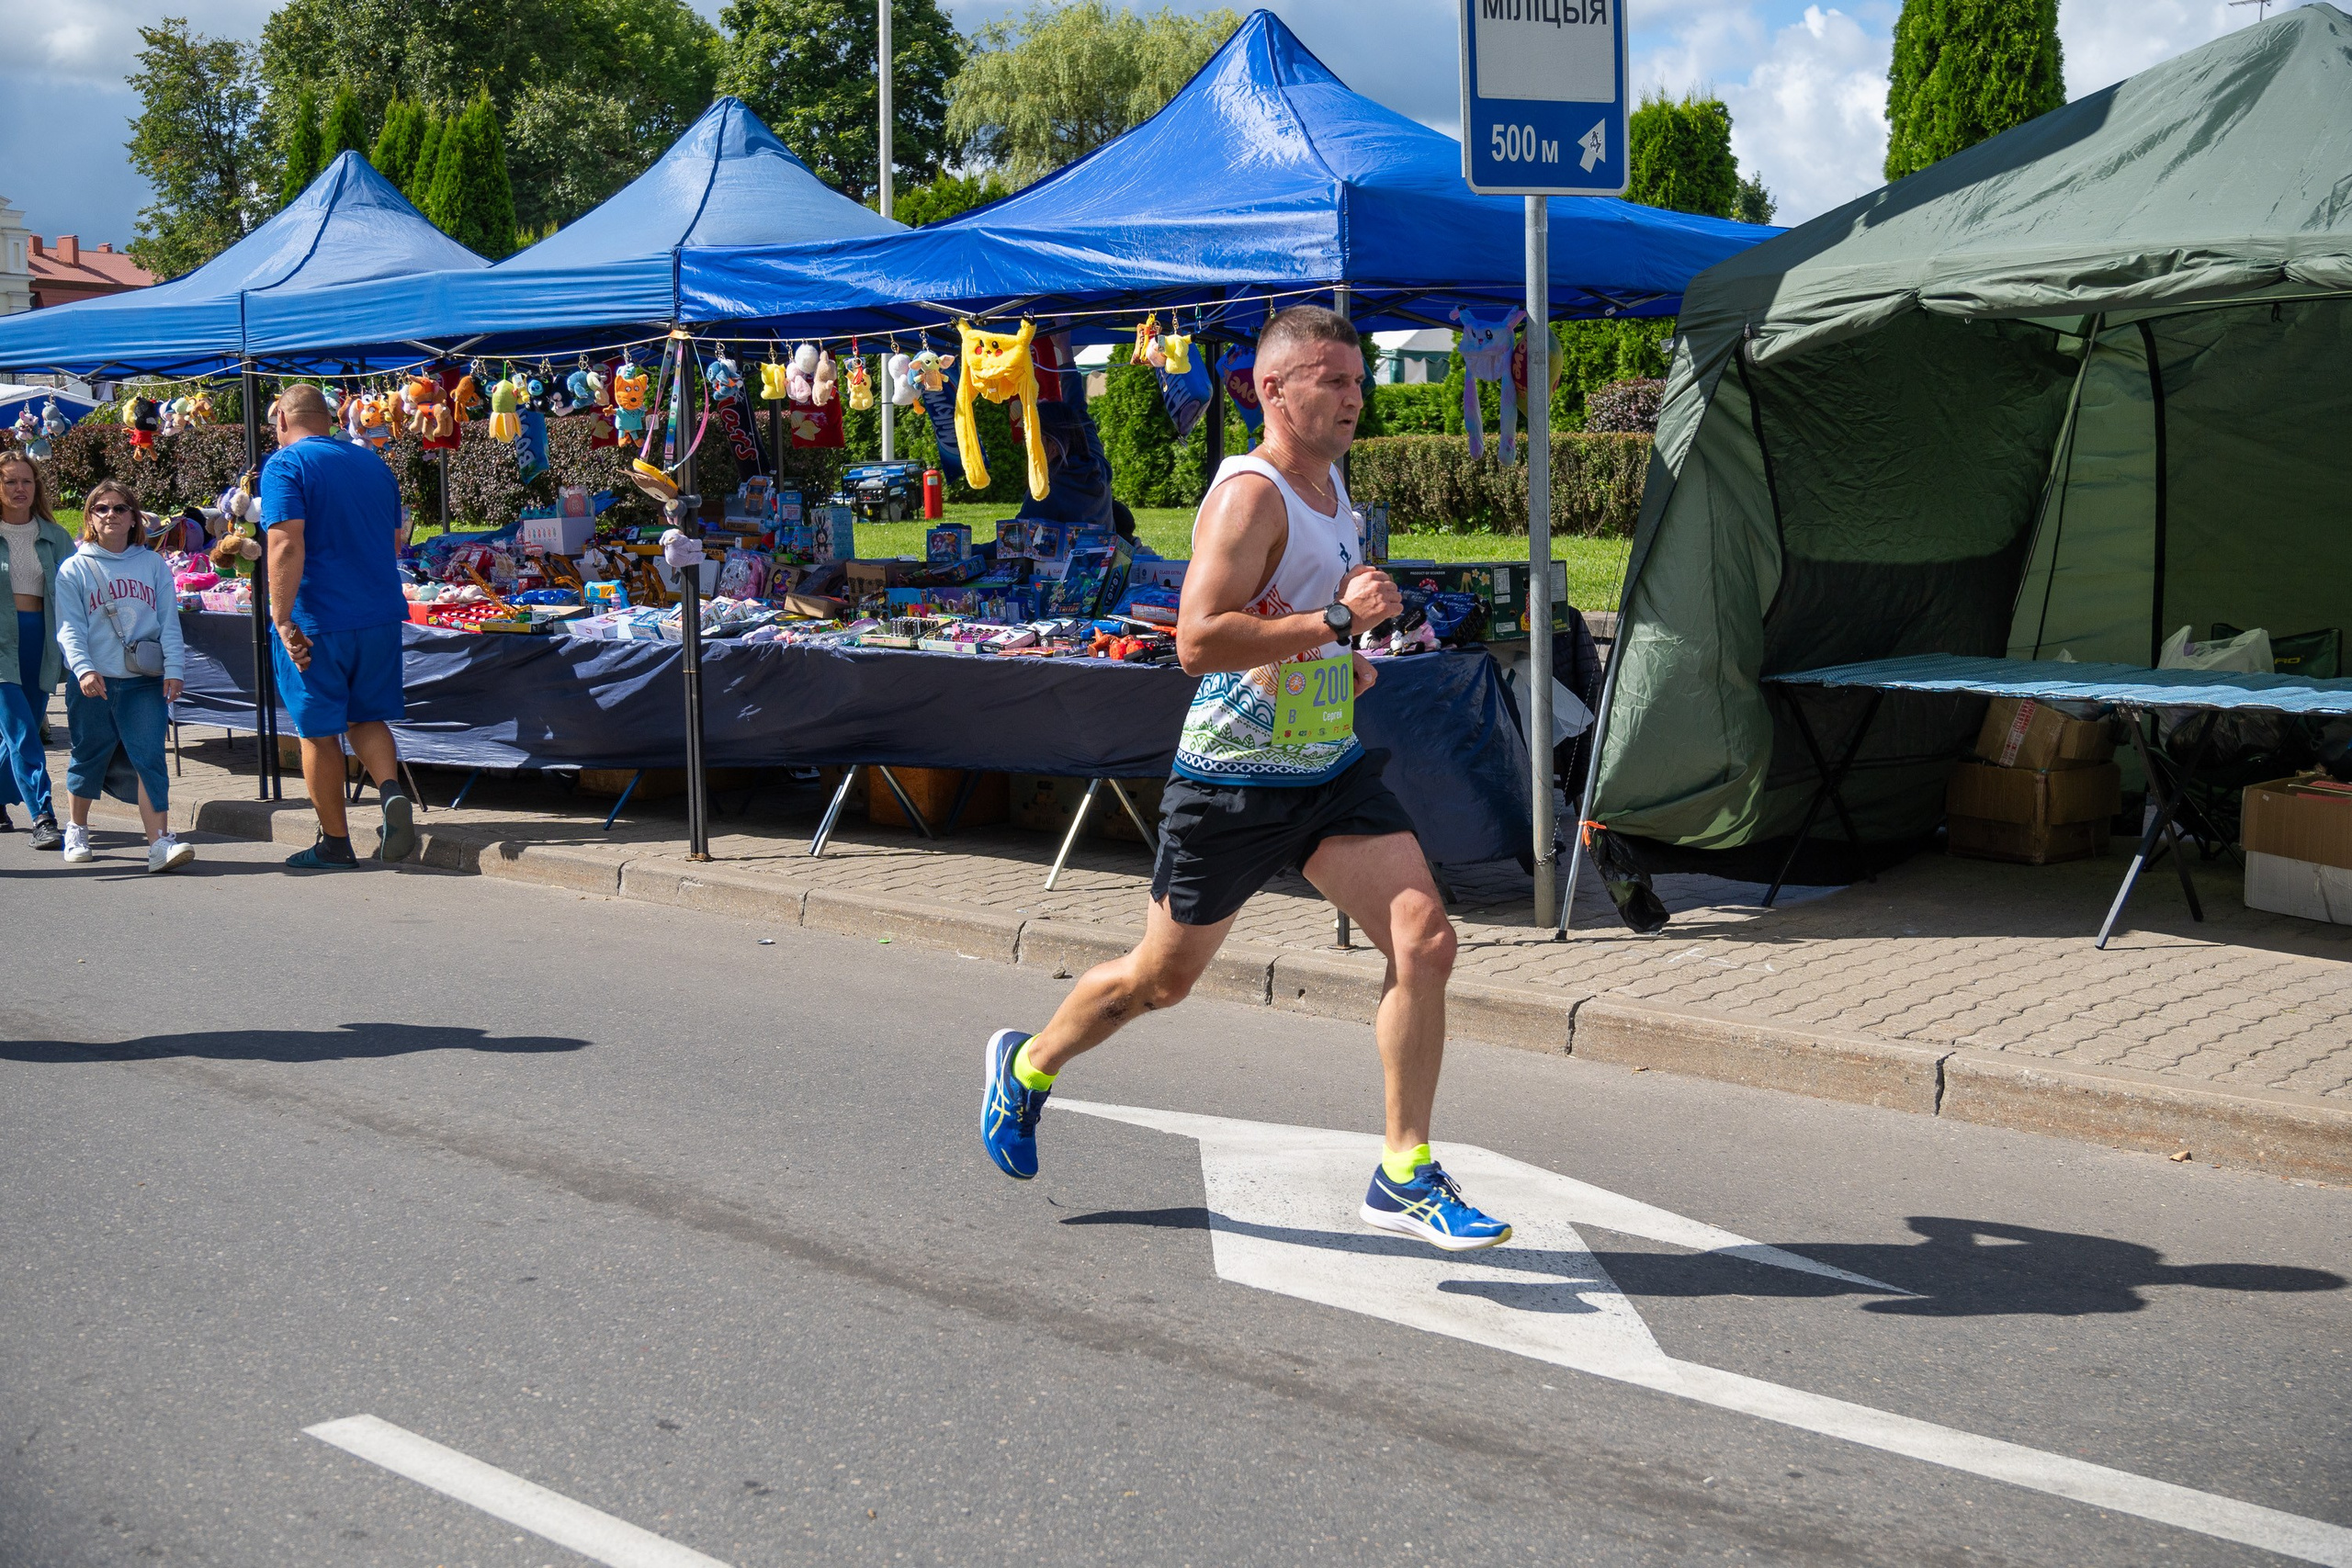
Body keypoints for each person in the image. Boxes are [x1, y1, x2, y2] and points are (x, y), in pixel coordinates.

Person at [980, 305, 1513, 1252]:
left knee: (1424, 941)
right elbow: (1196, 641)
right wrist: (1335, 628)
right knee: (1159, 981)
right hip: (1230, 779)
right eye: (1332, 381)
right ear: (1273, 390)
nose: (1354, 397)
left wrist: (1339, 656)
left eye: (1357, 380)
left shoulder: (1330, 486)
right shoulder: (1250, 495)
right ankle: (1028, 1065)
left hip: (1323, 769)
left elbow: (1292, 625)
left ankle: (1403, 1170)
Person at [258, 383, 415, 869]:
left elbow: (285, 544)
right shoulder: (374, 463)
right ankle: (390, 791)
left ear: (283, 420)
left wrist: (281, 619)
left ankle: (335, 842)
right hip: (379, 613)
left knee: (319, 732)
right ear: (327, 419)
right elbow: (394, 541)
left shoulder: (285, 465)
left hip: (317, 620)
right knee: (367, 716)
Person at [53, 479, 194, 873]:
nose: (111, 515)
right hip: (94, 681)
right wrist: (82, 668)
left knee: (150, 759)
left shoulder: (152, 564)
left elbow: (169, 623)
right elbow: (69, 627)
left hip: (143, 681)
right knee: (88, 755)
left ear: (134, 517)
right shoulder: (75, 568)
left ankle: (159, 843)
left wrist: (175, 669)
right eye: (102, 509)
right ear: (90, 518)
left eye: (119, 508)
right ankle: (77, 828)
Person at [0, 451, 72, 849]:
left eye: (26, 481)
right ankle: (43, 814)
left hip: (42, 640)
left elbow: (76, 591)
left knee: (20, 726)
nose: (19, 488)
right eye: (10, 481)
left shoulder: (55, 535)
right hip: (0, 642)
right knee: (22, 729)